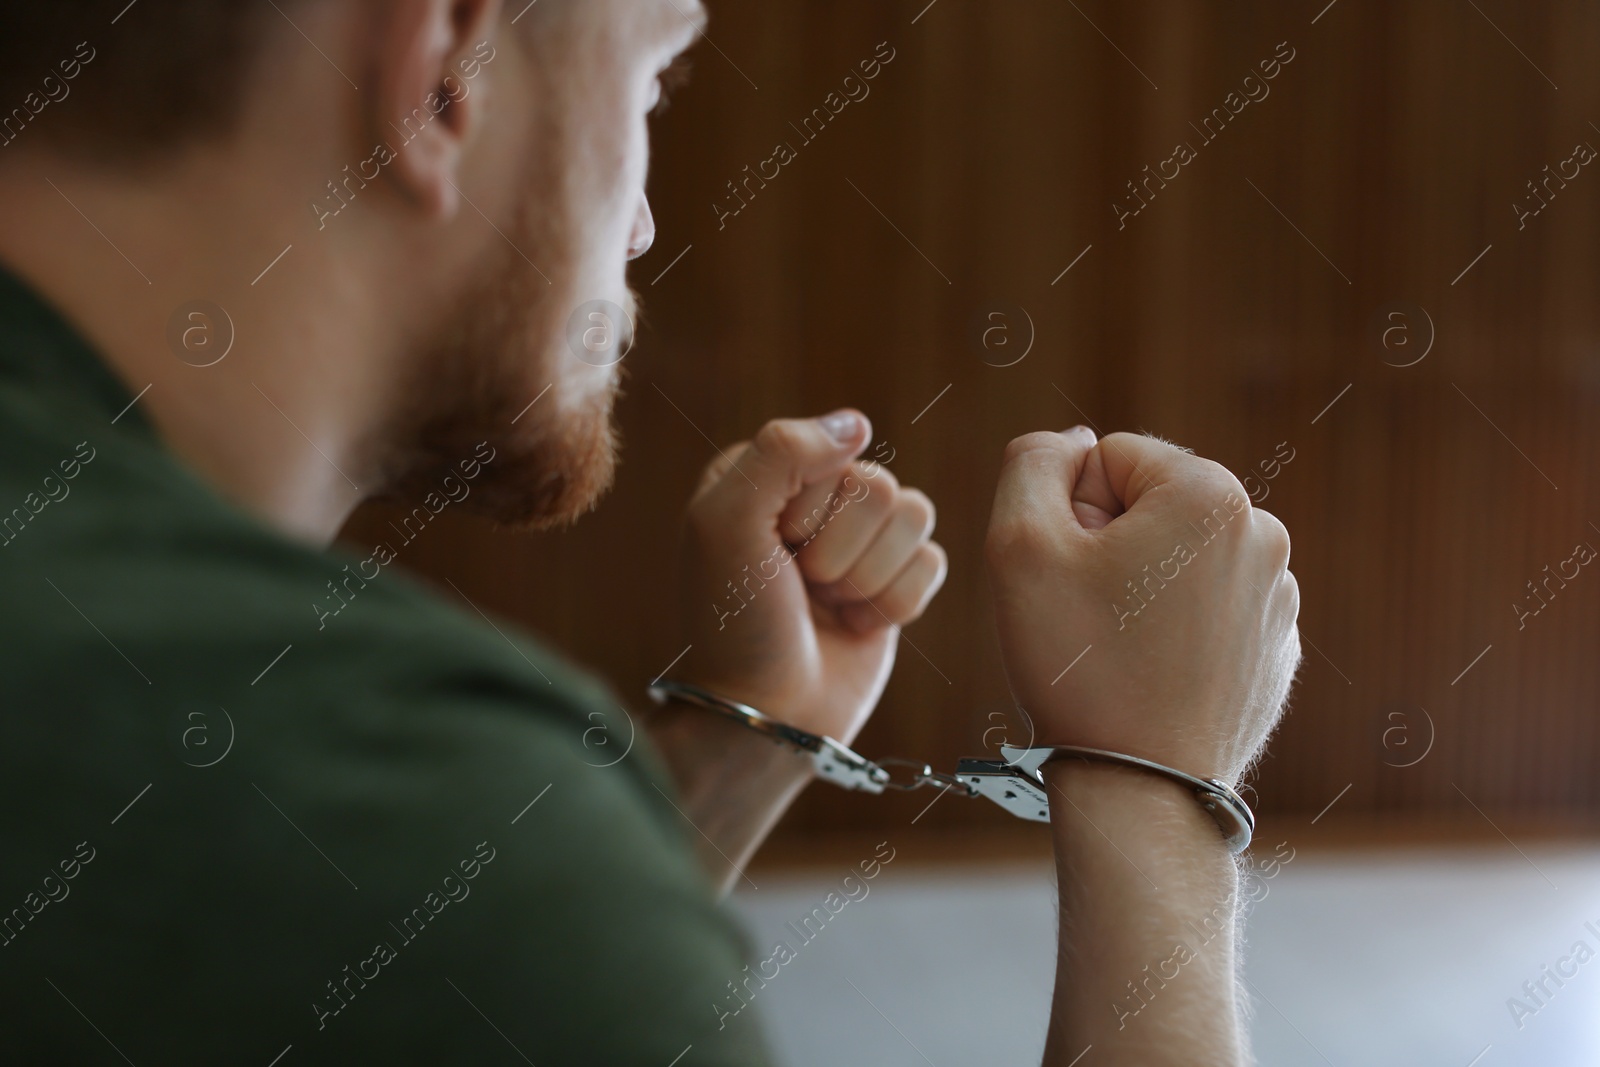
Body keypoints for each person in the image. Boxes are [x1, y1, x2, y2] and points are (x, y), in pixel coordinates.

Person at [0, 1, 1300, 1063]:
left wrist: (752, 713)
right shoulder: (385, 803)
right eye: (656, 80)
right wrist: (1158, 793)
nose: (641, 225)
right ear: (446, 69)